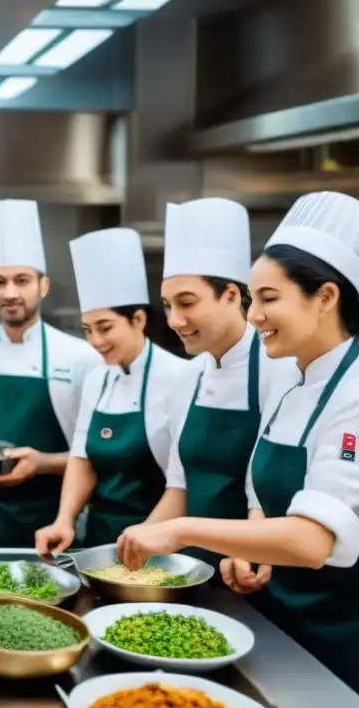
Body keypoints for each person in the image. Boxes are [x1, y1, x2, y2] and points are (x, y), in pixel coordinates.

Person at [116, 190, 359, 692]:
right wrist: (251, 543)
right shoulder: (295, 381)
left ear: (327, 297)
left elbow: (313, 541)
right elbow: (259, 494)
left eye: (269, 299)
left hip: (338, 637)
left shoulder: (353, 392)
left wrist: (181, 531)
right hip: (274, 626)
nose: (254, 316)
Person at [145, 198, 299, 568]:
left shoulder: (283, 369)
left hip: (260, 567)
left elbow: (267, 493)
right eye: (167, 305)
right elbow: (179, 487)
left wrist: (249, 554)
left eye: (186, 303)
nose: (174, 320)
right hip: (191, 568)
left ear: (232, 295)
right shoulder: (186, 379)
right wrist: (137, 542)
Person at [0, 200, 98, 547]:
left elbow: (97, 456)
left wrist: (43, 463)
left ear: (43, 286)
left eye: (22, 280)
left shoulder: (80, 360)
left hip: (51, 530)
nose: (10, 293)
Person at [36, 229, 191, 553]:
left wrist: (143, 540)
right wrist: (64, 519)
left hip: (159, 540)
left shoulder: (181, 378)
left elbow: (183, 484)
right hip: (99, 539)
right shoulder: (98, 377)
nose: (95, 342)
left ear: (138, 319)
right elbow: (82, 460)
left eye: (105, 328)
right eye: (88, 330)